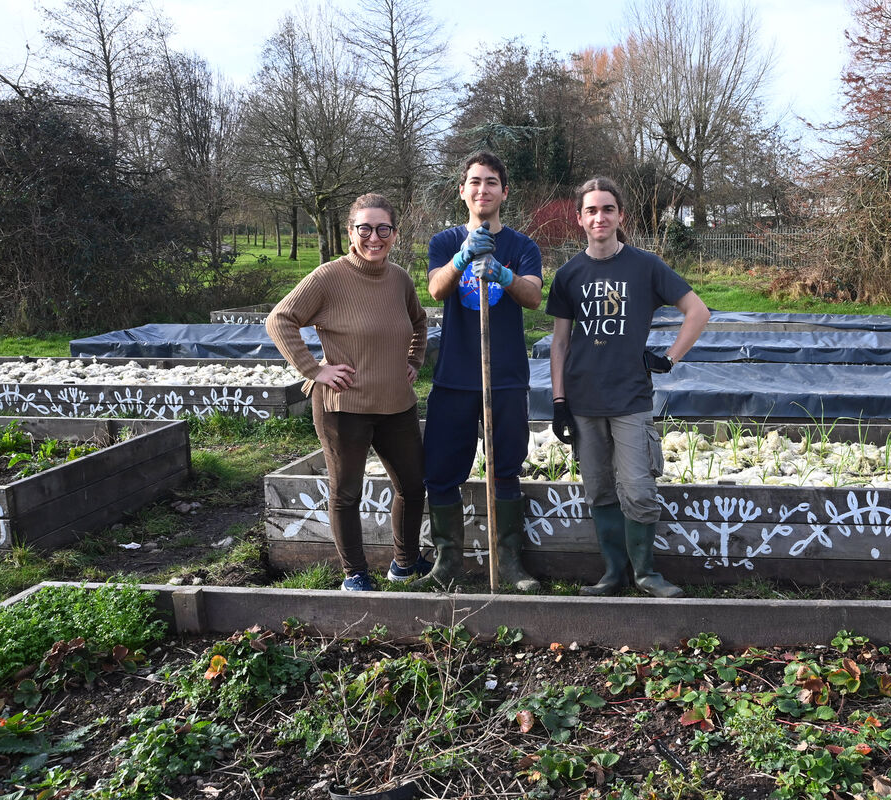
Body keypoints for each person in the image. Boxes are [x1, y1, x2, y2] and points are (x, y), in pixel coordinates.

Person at [546, 177, 710, 598]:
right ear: (580, 219)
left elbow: (697, 311)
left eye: (607, 209)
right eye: (591, 210)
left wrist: (669, 358)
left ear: (620, 216)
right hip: (583, 401)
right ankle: (614, 573)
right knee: (599, 489)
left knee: (638, 488)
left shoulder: (645, 266)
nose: (599, 217)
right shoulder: (569, 274)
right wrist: (559, 400)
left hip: (631, 399)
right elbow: (560, 343)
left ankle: (646, 573)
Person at [266, 193, 428, 592]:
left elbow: (419, 322)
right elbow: (280, 320)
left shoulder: (399, 278)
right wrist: (314, 369)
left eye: (383, 229)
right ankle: (355, 574)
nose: (375, 237)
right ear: (350, 232)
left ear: (394, 232)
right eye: (365, 229)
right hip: (344, 407)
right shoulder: (328, 277)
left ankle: (405, 564)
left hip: (397, 404)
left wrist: (414, 360)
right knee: (347, 492)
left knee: (412, 485)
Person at [416, 151, 543, 592]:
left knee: (506, 467)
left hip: (505, 374)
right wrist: (463, 257)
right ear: (462, 190)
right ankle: (447, 562)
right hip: (454, 375)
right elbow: (435, 289)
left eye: (491, 182)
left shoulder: (523, 247)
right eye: (475, 182)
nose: (482, 189)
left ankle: (509, 562)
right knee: (442, 469)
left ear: (504, 192)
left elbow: (533, 297)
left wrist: (505, 275)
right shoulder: (444, 241)